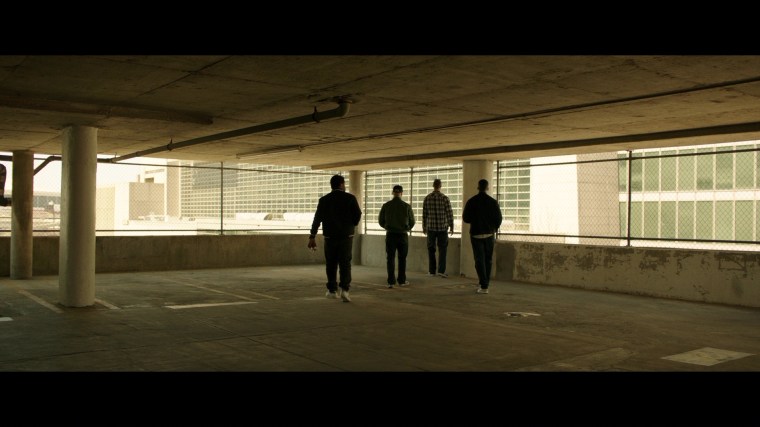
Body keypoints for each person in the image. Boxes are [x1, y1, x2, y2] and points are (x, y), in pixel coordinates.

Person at [308, 174, 362, 302]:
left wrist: (312, 236)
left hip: (330, 237)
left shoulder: (324, 200)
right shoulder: (350, 198)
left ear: (331, 185)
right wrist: (351, 225)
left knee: (331, 264)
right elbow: (358, 214)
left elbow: (317, 219)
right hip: (346, 237)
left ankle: (332, 290)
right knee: (345, 264)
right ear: (342, 184)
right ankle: (345, 290)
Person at [462, 179, 502, 294]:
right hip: (489, 234)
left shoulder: (471, 201)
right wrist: (494, 228)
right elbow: (499, 218)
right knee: (488, 260)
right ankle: (485, 284)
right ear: (487, 187)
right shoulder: (492, 202)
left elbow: (466, 218)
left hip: (476, 234)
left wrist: (475, 220)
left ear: (478, 187)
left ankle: (483, 284)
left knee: (479, 260)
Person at [378, 184, 415, 288]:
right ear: (401, 193)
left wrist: (387, 227)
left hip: (390, 234)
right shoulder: (406, 206)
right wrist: (406, 228)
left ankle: (391, 282)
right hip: (402, 235)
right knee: (402, 258)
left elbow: (380, 221)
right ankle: (401, 281)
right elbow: (412, 221)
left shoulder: (386, 205)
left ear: (393, 193)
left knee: (390, 258)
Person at [422, 178, 454, 278]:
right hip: (442, 228)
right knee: (442, 250)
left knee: (431, 250)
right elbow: (449, 213)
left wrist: (424, 227)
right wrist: (452, 226)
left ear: (433, 186)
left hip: (431, 228)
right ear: (440, 186)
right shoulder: (445, 198)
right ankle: (441, 271)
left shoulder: (427, 198)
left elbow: (424, 214)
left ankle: (432, 271)